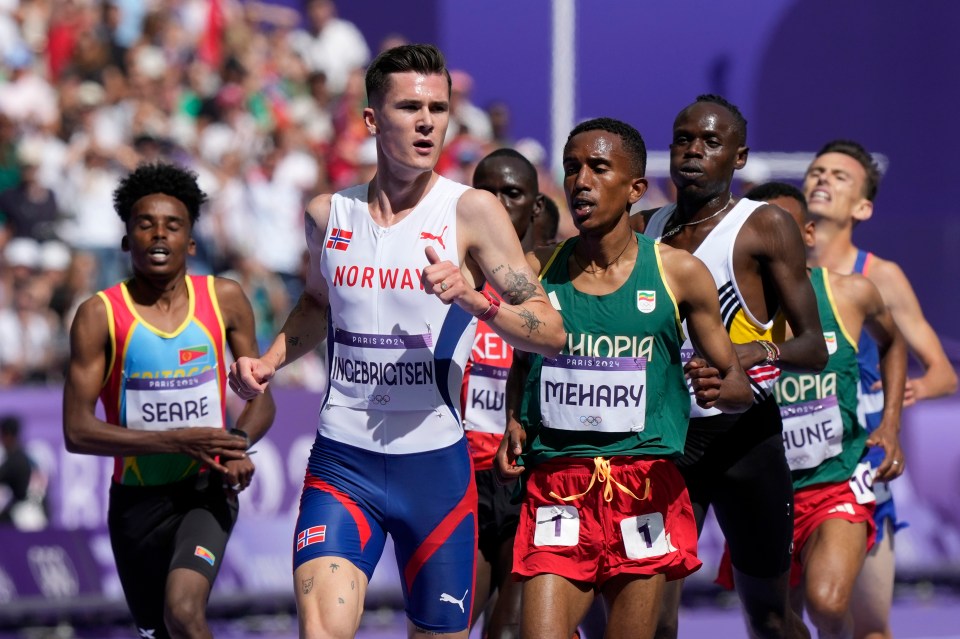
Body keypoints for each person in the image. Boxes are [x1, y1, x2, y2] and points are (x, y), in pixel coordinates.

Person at [228, 44, 565, 639]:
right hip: (343, 460)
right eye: (410, 107)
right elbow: (315, 302)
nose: (428, 121)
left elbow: (550, 330)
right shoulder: (327, 214)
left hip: (435, 468)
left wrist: (475, 298)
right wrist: (273, 359)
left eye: (439, 107)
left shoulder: (470, 212)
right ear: (371, 120)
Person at [496, 117, 753, 639]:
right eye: (571, 169)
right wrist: (513, 418)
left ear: (636, 188)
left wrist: (727, 391)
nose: (580, 181)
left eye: (597, 167)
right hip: (559, 487)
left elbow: (736, 383)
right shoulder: (538, 268)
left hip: (643, 487)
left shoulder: (678, 273)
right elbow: (523, 359)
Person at [637, 95, 828, 639]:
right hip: (668, 443)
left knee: (767, 616)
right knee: (652, 616)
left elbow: (814, 348)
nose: (693, 150)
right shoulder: (644, 231)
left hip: (746, 438)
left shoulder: (763, 226)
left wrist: (753, 352)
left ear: (738, 157)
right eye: (683, 139)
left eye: (711, 142)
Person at [62, 162, 276, 639]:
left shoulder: (225, 298)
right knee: (158, 629)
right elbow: (77, 431)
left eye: (173, 225)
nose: (159, 234)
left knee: (182, 612)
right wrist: (179, 440)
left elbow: (263, 399)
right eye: (144, 224)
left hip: (206, 489)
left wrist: (234, 443)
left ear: (191, 243)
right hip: (136, 503)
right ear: (125, 241)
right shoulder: (98, 315)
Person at [716, 182, 908, 638]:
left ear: (806, 233)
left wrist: (891, 425)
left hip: (834, 481)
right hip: (763, 492)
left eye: (780, 229)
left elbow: (894, 342)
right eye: (757, 232)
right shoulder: (722, 310)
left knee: (827, 599)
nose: (769, 243)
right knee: (774, 623)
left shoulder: (849, 294)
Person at [802, 140, 958, 639]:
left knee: (865, 625)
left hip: (861, 471)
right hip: (793, 471)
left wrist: (891, 406)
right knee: (795, 619)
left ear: (863, 207)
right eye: (817, 172)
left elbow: (941, 372)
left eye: (839, 177)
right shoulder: (772, 273)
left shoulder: (880, 276)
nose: (822, 180)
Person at [465, 148, 543, 639]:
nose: (496, 204)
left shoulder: (553, 284)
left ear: (534, 207)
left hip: (530, 480)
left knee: (510, 629)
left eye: (510, 194)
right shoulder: (449, 280)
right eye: (486, 193)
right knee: (441, 624)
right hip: (462, 481)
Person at [0, 414, 48, 530]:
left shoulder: (14, 460)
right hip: (40, 514)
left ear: (8, 436)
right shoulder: (28, 457)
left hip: (24, 515)